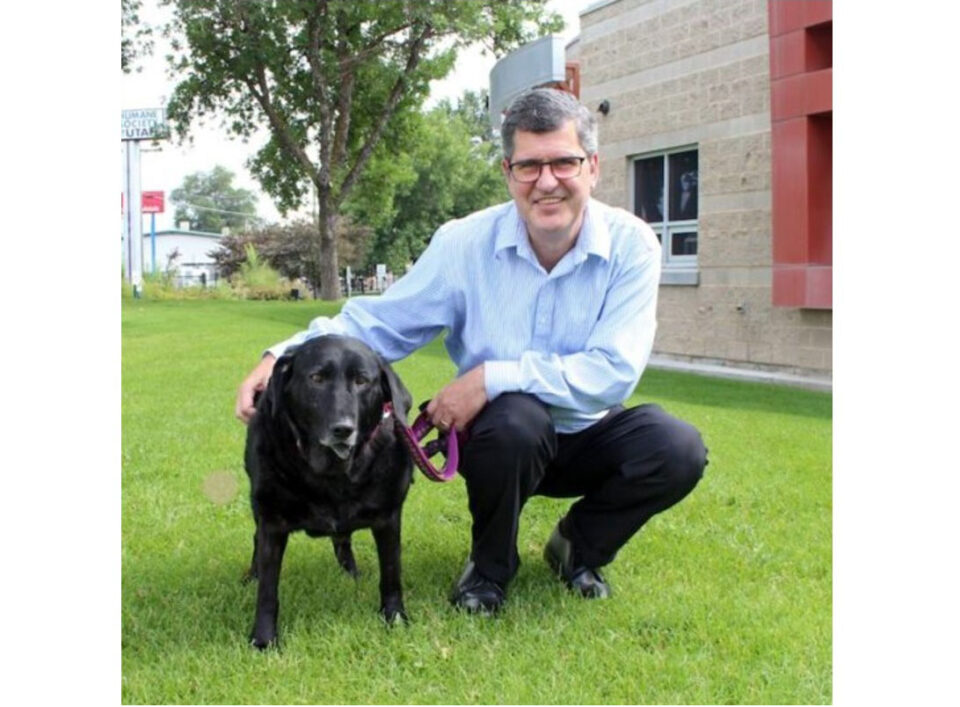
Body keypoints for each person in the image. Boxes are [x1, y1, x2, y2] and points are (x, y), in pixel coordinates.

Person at [236, 88, 707, 614]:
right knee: (516, 421)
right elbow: (380, 323)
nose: (546, 181)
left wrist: (487, 378)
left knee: (677, 446)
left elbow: (613, 372)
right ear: (507, 172)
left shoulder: (633, 245)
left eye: (563, 162)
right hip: (501, 443)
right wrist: (280, 355)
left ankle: (578, 545)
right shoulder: (463, 244)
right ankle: (488, 572)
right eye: (528, 166)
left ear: (592, 167)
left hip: (589, 430)